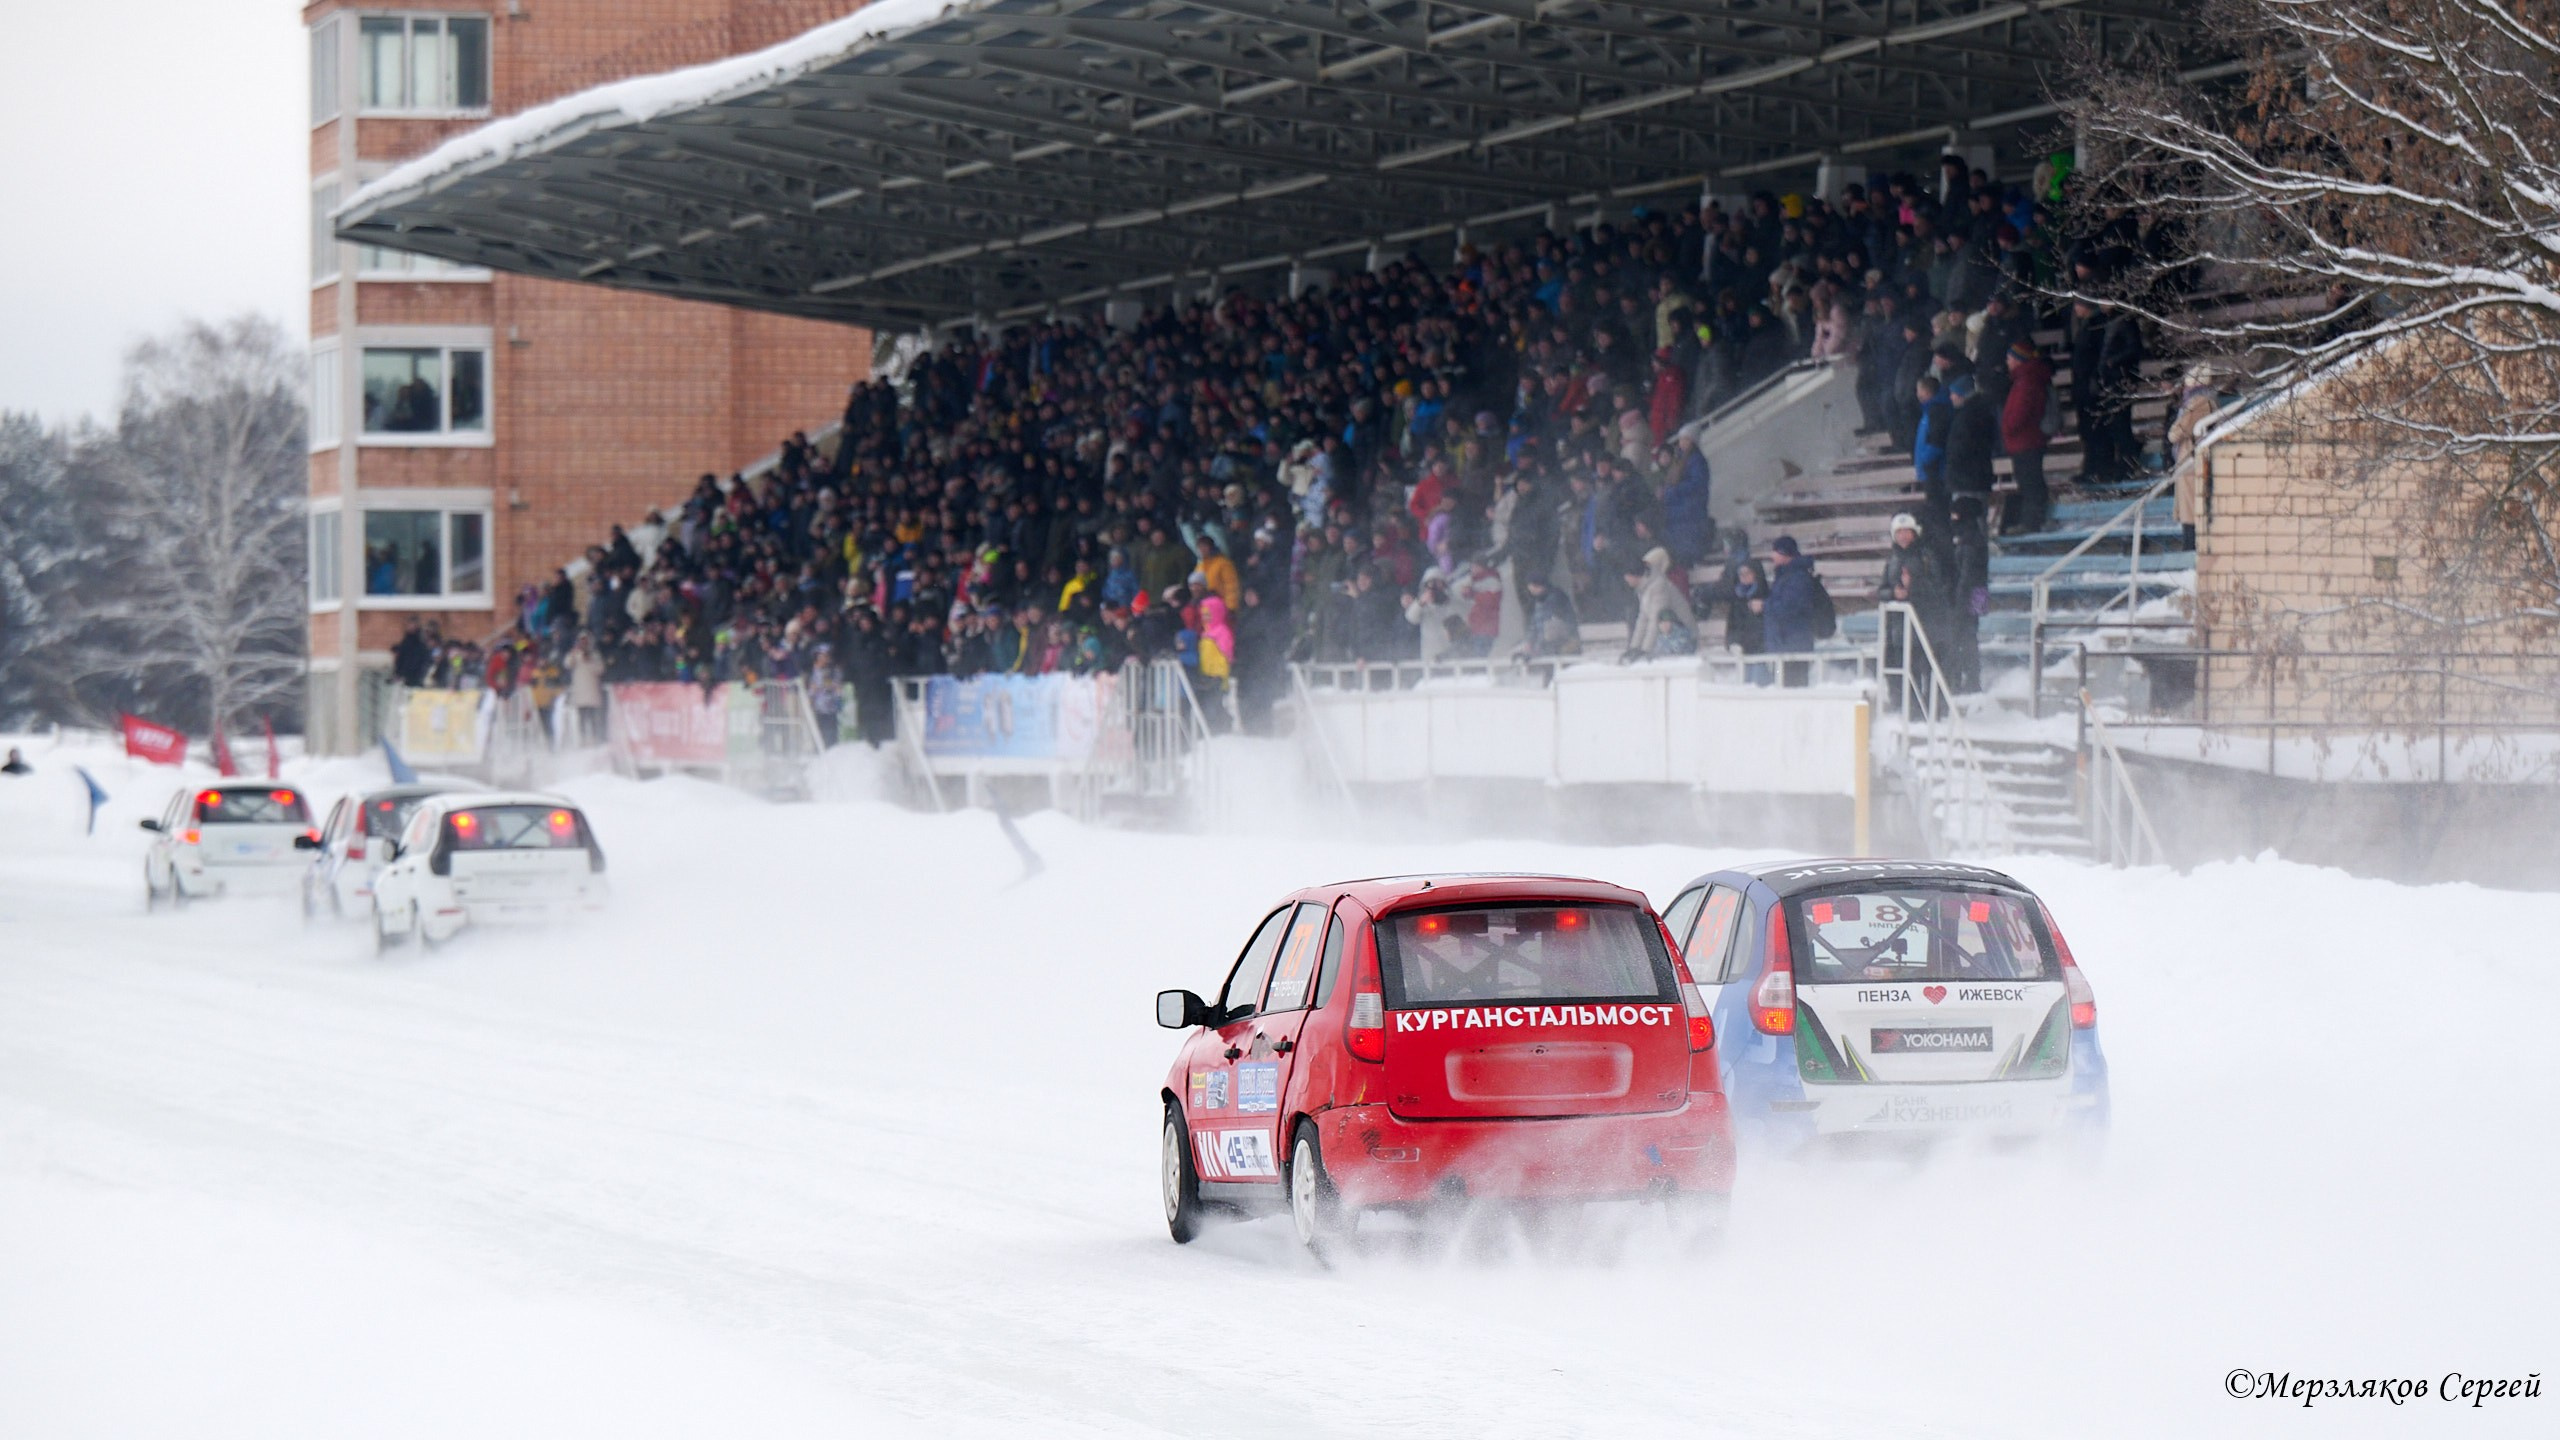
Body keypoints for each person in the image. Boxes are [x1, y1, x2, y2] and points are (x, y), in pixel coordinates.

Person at [2000, 339, 2057, 534]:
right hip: (2025, 440)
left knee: (2030, 483)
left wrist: (2008, 427)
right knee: (2029, 482)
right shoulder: (2025, 379)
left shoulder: (2027, 381)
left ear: (2018, 360)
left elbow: (2020, 412)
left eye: (2009, 358)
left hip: (2025, 440)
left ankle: (2032, 522)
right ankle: (2032, 520)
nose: (2007, 361)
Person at [1762, 535, 1830, 687]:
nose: (1772, 556)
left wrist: (1765, 606)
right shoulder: (1784, 576)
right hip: (1782, 644)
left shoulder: (1798, 578)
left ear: (1784, 553)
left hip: (1793, 645)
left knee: (1793, 687)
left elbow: (1790, 607)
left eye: (1775, 552)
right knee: (1781, 687)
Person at [1623, 546, 1696, 662]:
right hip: (1665, 634)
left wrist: (1645, 650)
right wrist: (1634, 648)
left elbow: (1656, 620)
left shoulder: (1658, 586)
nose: (1626, 579)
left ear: (1635, 575)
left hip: (1682, 636)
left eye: (1627, 576)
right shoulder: (1643, 588)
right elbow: (1643, 620)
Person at [567, 635, 605, 745]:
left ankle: (594, 738)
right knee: (581, 718)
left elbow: (600, 670)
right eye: (581, 641)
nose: (583, 644)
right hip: (580, 691)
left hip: (592, 690)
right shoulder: (575, 654)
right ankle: (582, 739)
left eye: (585, 641)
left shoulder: (595, 655)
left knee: (593, 717)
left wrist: (590, 661)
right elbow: (567, 664)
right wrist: (573, 654)